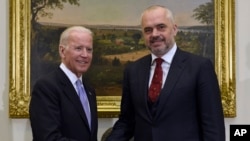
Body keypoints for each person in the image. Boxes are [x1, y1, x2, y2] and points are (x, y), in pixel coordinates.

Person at [106, 5, 225, 141]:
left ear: (174, 29)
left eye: (161, 27)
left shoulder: (200, 67)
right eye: (148, 30)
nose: (155, 34)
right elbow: (126, 122)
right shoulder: (132, 71)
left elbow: (213, 128)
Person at [29, 26, 98, 141]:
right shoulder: (46, 87)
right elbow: (48, 138)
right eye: (78, 48)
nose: (85, 55)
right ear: (62, 51)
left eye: (89, 49)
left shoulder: (89, 89)